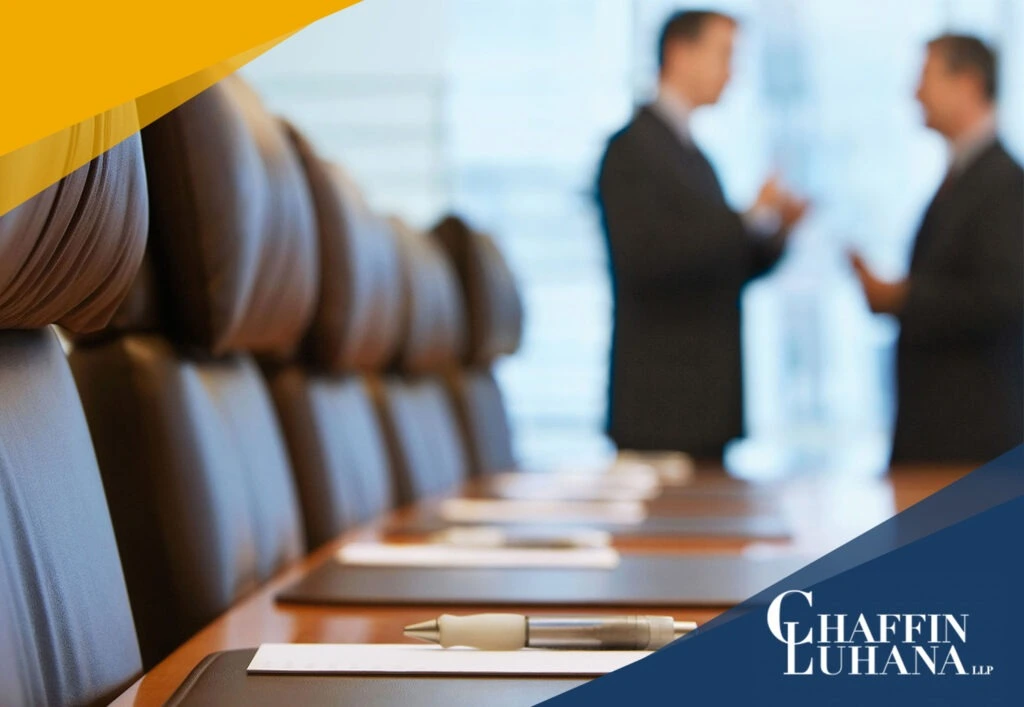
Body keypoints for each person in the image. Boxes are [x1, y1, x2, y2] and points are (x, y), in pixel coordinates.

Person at [597, 10, 807, 459]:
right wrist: (747, 218)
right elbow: (648, 258)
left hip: (704, 409)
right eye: (725, 55)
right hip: (660, 412)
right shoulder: (631, 150)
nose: (732, 72)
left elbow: (719, 265)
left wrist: (775, 235)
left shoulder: (696, 157)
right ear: (680, 53)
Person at [850, 34, 1023, 463]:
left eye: (926, 76)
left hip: (974, 440)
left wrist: (904, 298)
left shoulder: (1003, 184)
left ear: (967, 83)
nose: (915, 92)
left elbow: (1004, 297)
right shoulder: (963, 177)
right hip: (944, 432)